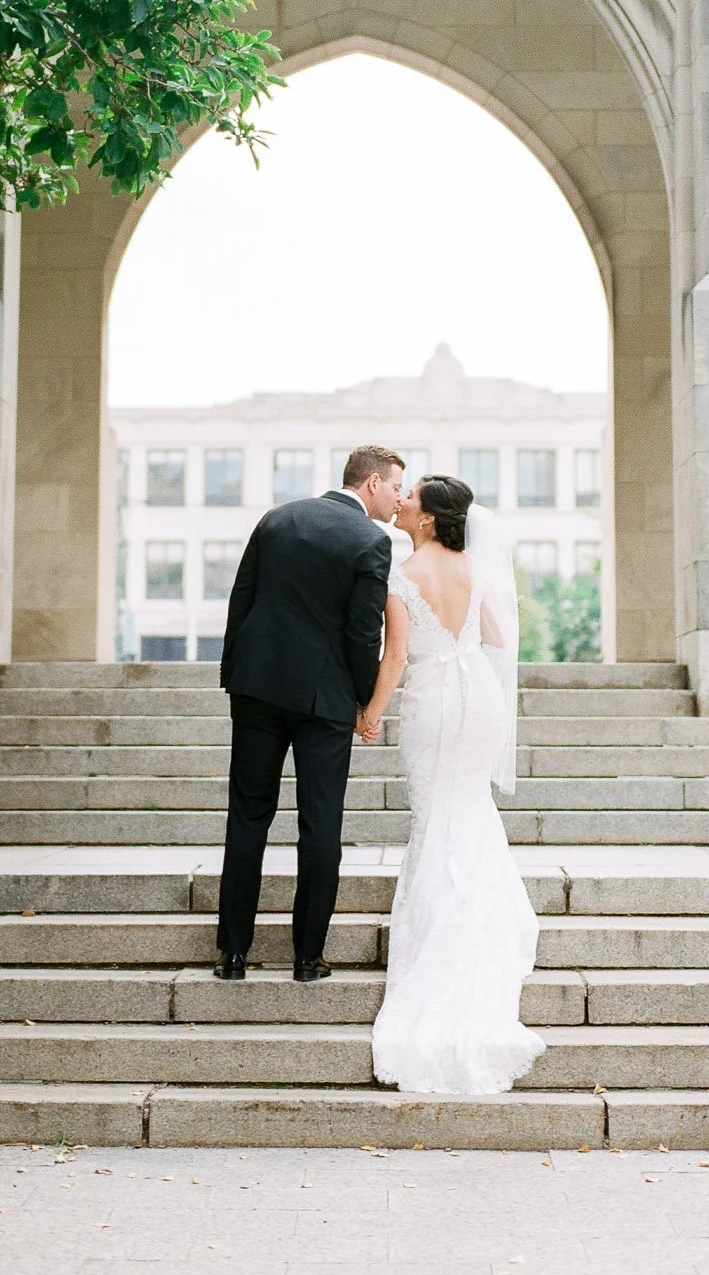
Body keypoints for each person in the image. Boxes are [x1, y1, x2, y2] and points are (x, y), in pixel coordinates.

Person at [360, 474, 545, 1093]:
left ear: (430, 519)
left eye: (411, 498)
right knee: (467, 806)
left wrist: (373, 712)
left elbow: (394, 655)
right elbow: (497, 636)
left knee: (436, 811)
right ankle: (482, 912)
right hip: (481, 698)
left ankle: (443, 932)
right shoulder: (474, 565)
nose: (403, 501)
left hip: (435, 699)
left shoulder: (401, 572)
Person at [214, 445, 404, 982]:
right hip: (324, 701)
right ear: (370, 483)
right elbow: (364, 632)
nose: (398, 499)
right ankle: (307, 957)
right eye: (394, 487)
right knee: (321, 824)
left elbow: (242, 598)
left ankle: (232, 954)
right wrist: (365, 700)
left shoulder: (278, 519)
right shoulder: (370, 539)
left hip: (257, 689)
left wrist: (235, 671)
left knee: (247, 816)